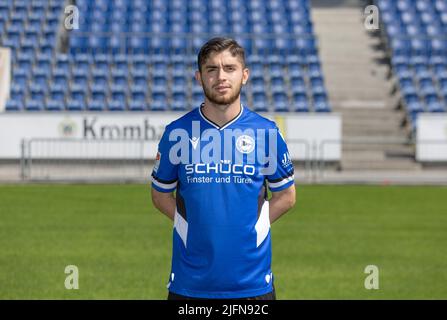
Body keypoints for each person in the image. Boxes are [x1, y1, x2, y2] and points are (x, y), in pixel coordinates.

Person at [151, 37, 296, 300]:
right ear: (199, 77)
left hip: (252, 284)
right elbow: (160, 195)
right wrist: (189, 227)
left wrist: (254, 228)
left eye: (230, 68)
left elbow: (287, 196)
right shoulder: (177, 133)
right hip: (190, 285)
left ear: (245, 75)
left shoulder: (267, 133)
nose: (221, 76)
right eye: (211, 69)